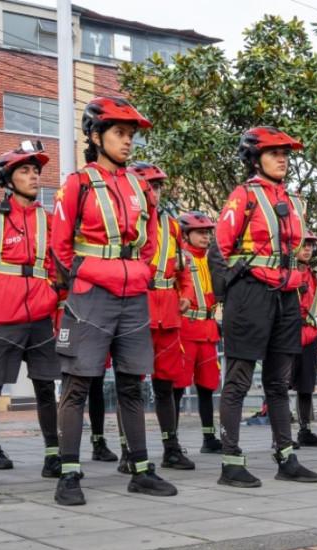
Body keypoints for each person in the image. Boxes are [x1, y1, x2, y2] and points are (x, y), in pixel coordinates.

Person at [50, 96, 177, 506]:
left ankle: (140, 469)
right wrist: (86, 277)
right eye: (119, 133)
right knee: (76, 385)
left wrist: (138, 274)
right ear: (95, 135)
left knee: (132, 384)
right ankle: (68, 475)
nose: (127, 142)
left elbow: (150, 242)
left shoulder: (140, 186)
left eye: (130, 135)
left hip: (132, 296)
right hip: (90, 296)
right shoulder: (77, 184)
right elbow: (59, 247)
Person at [213, 126, 317, 487]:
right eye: (274, 153)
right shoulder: (243, 196)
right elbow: (220, 250)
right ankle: (230, 462)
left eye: (285, 154)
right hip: (250, 294)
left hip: (286, 297)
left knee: (279, 381)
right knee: (239, 380)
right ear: (255, 157)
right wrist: (225, 299)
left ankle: (286, 457)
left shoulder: (292, 201)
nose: (282, 159)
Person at [0, 143, 61, 485]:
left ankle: (53, 456)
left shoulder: (46, 220)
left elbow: (56, 266)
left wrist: (52, 295)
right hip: (2, 319)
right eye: (25, 171)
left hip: (40, 319)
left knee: (46, 388)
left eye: (36, 171)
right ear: (7, 179)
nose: (34, 177)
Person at [129, 162, 196, 471]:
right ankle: (130, 451)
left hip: (167, 313)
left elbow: (183, 269)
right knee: (130, 385)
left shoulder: (171, 226)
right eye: (149, 186)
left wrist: (186, 295)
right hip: (135, 308)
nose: (154, 192)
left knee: (166, 385)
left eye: (157, 187)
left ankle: (171, 447)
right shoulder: (125, 220)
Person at [178, 211, 224, 454]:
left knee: (207, 386)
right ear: (186, 234)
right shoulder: (181, 259)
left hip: (208, 330)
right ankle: (171, 440)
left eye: (208, 233)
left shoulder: (212, 260)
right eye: (201, 232)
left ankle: (209, 437)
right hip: (185, 330)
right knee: (177, 385)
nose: (206, 237)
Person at [293, 232, 317, 447]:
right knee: (279, 384)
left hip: (309, 332)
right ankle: (279, 437)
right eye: (303, 245)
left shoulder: (312, 275)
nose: (307, 249)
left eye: (310, 246)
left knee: (306, 384)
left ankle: (304, 430)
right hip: (288, 333)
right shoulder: (283, 272)